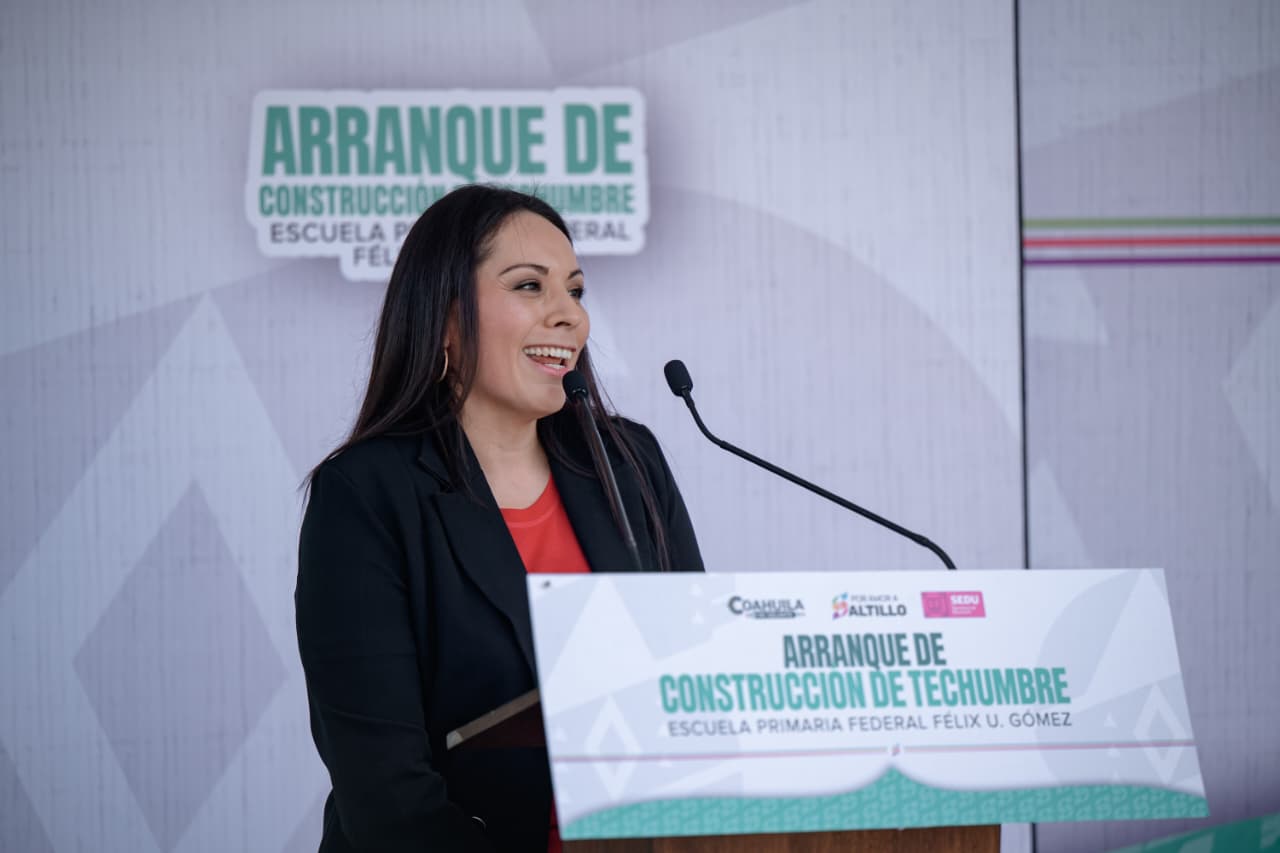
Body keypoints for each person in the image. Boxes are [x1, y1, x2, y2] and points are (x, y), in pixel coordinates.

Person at [295, 185, 704, 852]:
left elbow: (697, 695)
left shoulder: (628, 462)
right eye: (529, 286)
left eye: (575, 290)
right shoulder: (367, 494)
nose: (570, 315)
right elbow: (387, 795)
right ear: (446, 318)